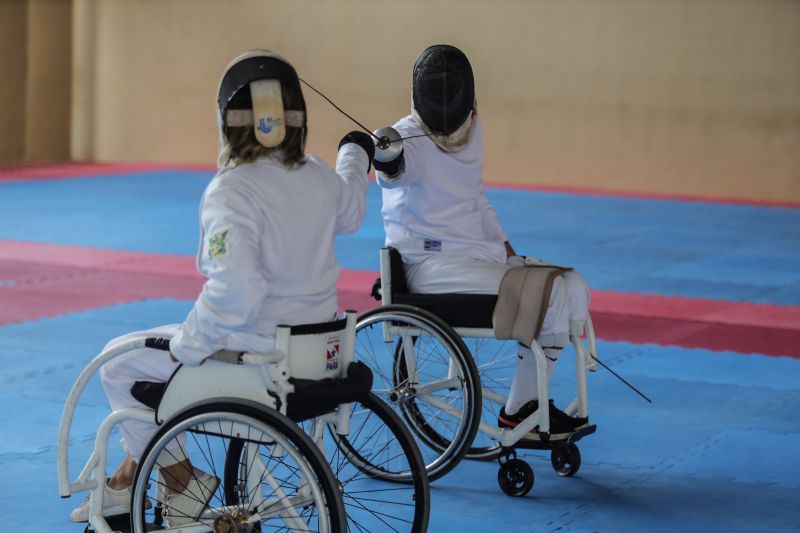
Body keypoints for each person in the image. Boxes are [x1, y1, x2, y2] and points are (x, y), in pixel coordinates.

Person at [69, 49, 375, 525]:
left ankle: (178, 481)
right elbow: (353, 205)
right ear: (297, 117)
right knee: (147, 357)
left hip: (257, 358)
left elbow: (234, 294)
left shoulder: (233, 190)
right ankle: (135, 477)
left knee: (117, 363)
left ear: (227, 122)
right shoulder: (317, 175)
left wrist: (190, 346)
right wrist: (354, 153)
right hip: (322, 353)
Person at [372, 44, 590, 441]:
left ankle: (529, 401)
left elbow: (474, 194)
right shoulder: (408, 138)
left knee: (571, 284)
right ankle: (519, 413)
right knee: (553, 290)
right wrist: (385, 157)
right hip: (430, 268)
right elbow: (393, 170)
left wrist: (506, 247)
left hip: (478, 259)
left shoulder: (472, 128)